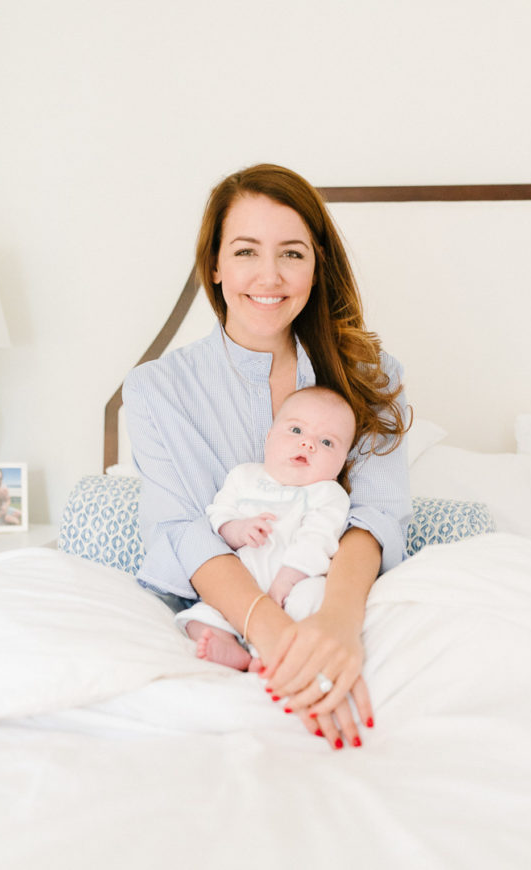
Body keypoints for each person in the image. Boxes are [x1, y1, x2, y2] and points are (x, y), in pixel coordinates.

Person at [123, 163, 411, 750]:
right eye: (247, 251)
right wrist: (279, 638)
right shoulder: (159, 390)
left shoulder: (372, 376)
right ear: (216, 265)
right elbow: (183, 532)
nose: (270, 276)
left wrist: (335, 623)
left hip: (336, 600)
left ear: (317, 264)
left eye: (293, 254)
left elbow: (375, 515)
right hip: (225, 619)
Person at [175, 386, 356, 672]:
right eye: (296, 431)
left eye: (326, 442)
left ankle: (272, 652)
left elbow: (318, 539)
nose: (308, 444)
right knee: (197, 618)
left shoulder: (328, 494)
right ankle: (233, 650)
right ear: (269, 437)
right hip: (240, 583)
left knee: (315, 597)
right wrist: (238, 529)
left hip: (294, 583)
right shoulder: (243, 476)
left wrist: (289, 577)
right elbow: (218, 516)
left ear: (341, 462)